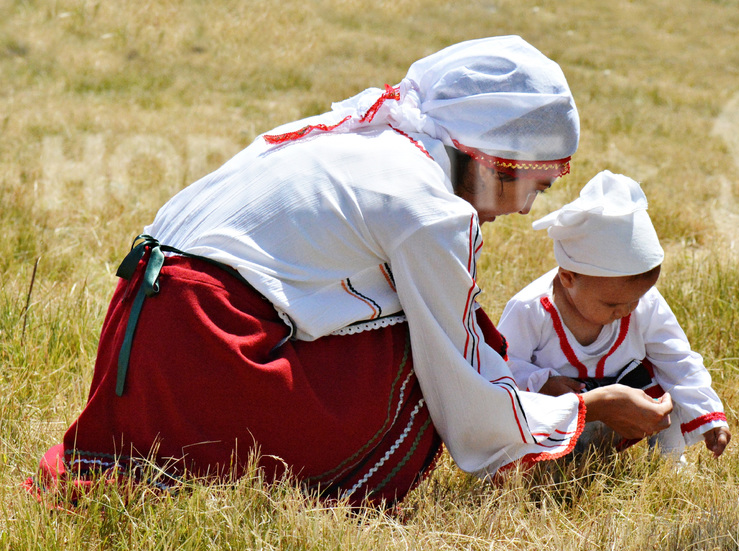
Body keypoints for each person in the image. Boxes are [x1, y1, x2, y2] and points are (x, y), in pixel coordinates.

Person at [31, 36, 673, 506]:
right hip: (210, 348)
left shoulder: (362, 135)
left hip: (143, 334)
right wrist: (587, 409)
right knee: (426, 350)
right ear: (490, 158)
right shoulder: (429, 207)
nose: (532, 203)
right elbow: (464, 395)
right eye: (537, 181)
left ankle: (146, 460)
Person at [497, 171, 730, 460]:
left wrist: (708, 413)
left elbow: (676, 357)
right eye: (612, 305)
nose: (628, 311)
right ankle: (554, 462)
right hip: (563, 418)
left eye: (636, 299)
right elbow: (501, 367)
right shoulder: (531, 309)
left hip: (628, 414)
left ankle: (668, 459)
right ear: (568, 277)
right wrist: (539, 381)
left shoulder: (642, 304)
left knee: (669, 386)